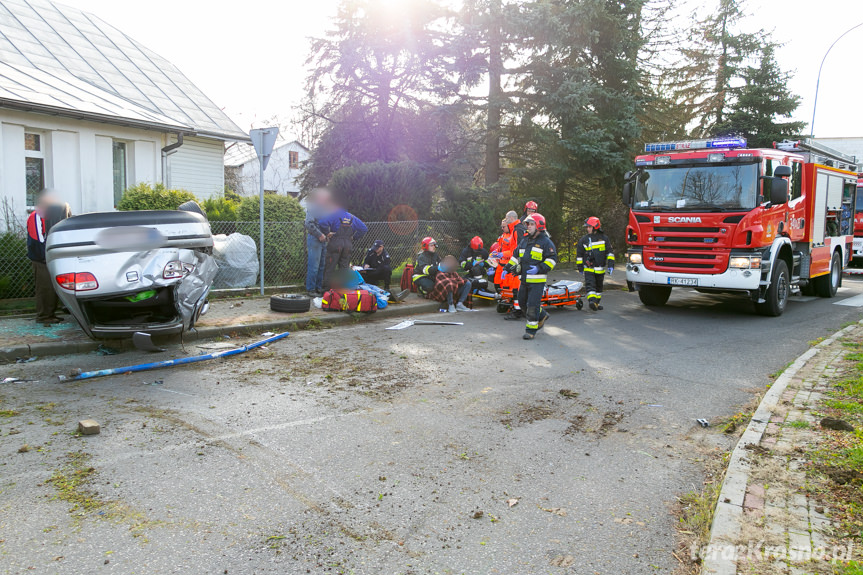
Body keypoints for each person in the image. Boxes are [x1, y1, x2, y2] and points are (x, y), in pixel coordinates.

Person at [504, 213, 556, 340]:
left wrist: (539, 268)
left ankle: (531, 330)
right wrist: (506, 268)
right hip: (524, 279)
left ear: (539, 226)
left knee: (532, 305)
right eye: (528, 224)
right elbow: (516, 256)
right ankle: (542, 315)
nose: (529, 227)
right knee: (522, 303)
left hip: (538, 281)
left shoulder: (546, 242)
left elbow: (552, 260)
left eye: (532, 224)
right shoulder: (525, 240)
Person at [26, 190, 71, 326]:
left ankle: (52, 313)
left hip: (55, 256)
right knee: (45, 287)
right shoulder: (36, 216)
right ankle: (44, 316)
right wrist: (47, 256)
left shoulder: (56, 213)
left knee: (59, 286)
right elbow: (38, 239)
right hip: (41, 258)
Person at [319, 206, 368, 290]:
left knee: (329, 268)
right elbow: (364, 228)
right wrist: (354, 237)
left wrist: (327, 233)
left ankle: (326, 290)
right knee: (344, 268)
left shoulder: (334, 215)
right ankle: (343, 290)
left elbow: (322, 222)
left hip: (335, 243)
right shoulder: (352, 217)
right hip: (348, 245)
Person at [576, 216, 615, 311]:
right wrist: (580, 267)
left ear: (595, 227)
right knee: (590, 285)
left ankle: (596, 303)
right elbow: (579, 255)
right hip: (589, 268)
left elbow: (610, 253)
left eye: (589, 227)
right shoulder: (584, 240)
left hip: (600, 269)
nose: (587, 229)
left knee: (599, 288)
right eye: (587, 227)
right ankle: (592, 301)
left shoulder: (604, 239)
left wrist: (611, 265)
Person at [303, 188, 333, 296]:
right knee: (314, 266)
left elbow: (324, 224)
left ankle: (318, 288)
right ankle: (311, 289)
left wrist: (327, 233)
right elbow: (309, 224)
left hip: (323, 240)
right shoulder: (313, 208)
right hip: (315, 239)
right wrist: (319, 234)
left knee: (321, 266)